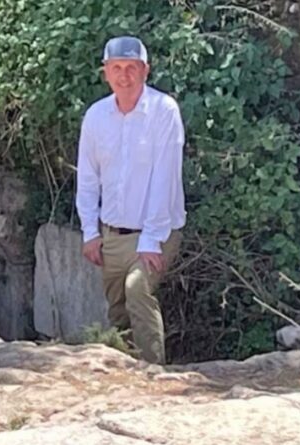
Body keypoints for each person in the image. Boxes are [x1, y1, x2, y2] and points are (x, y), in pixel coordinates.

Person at [76, 36, 186, 364]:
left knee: (138, 290)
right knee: (118, 310)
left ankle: (153, 373)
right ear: (106, 72)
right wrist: (90, 232)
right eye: (117, 68)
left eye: (131, 68)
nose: (124, 76)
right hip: (112, 235)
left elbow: (165, 178)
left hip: (157, 232)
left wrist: (151, 240)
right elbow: (87, 178)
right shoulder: (96, 117)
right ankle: (124, 375)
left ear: (145, 71)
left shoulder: (163, 111)